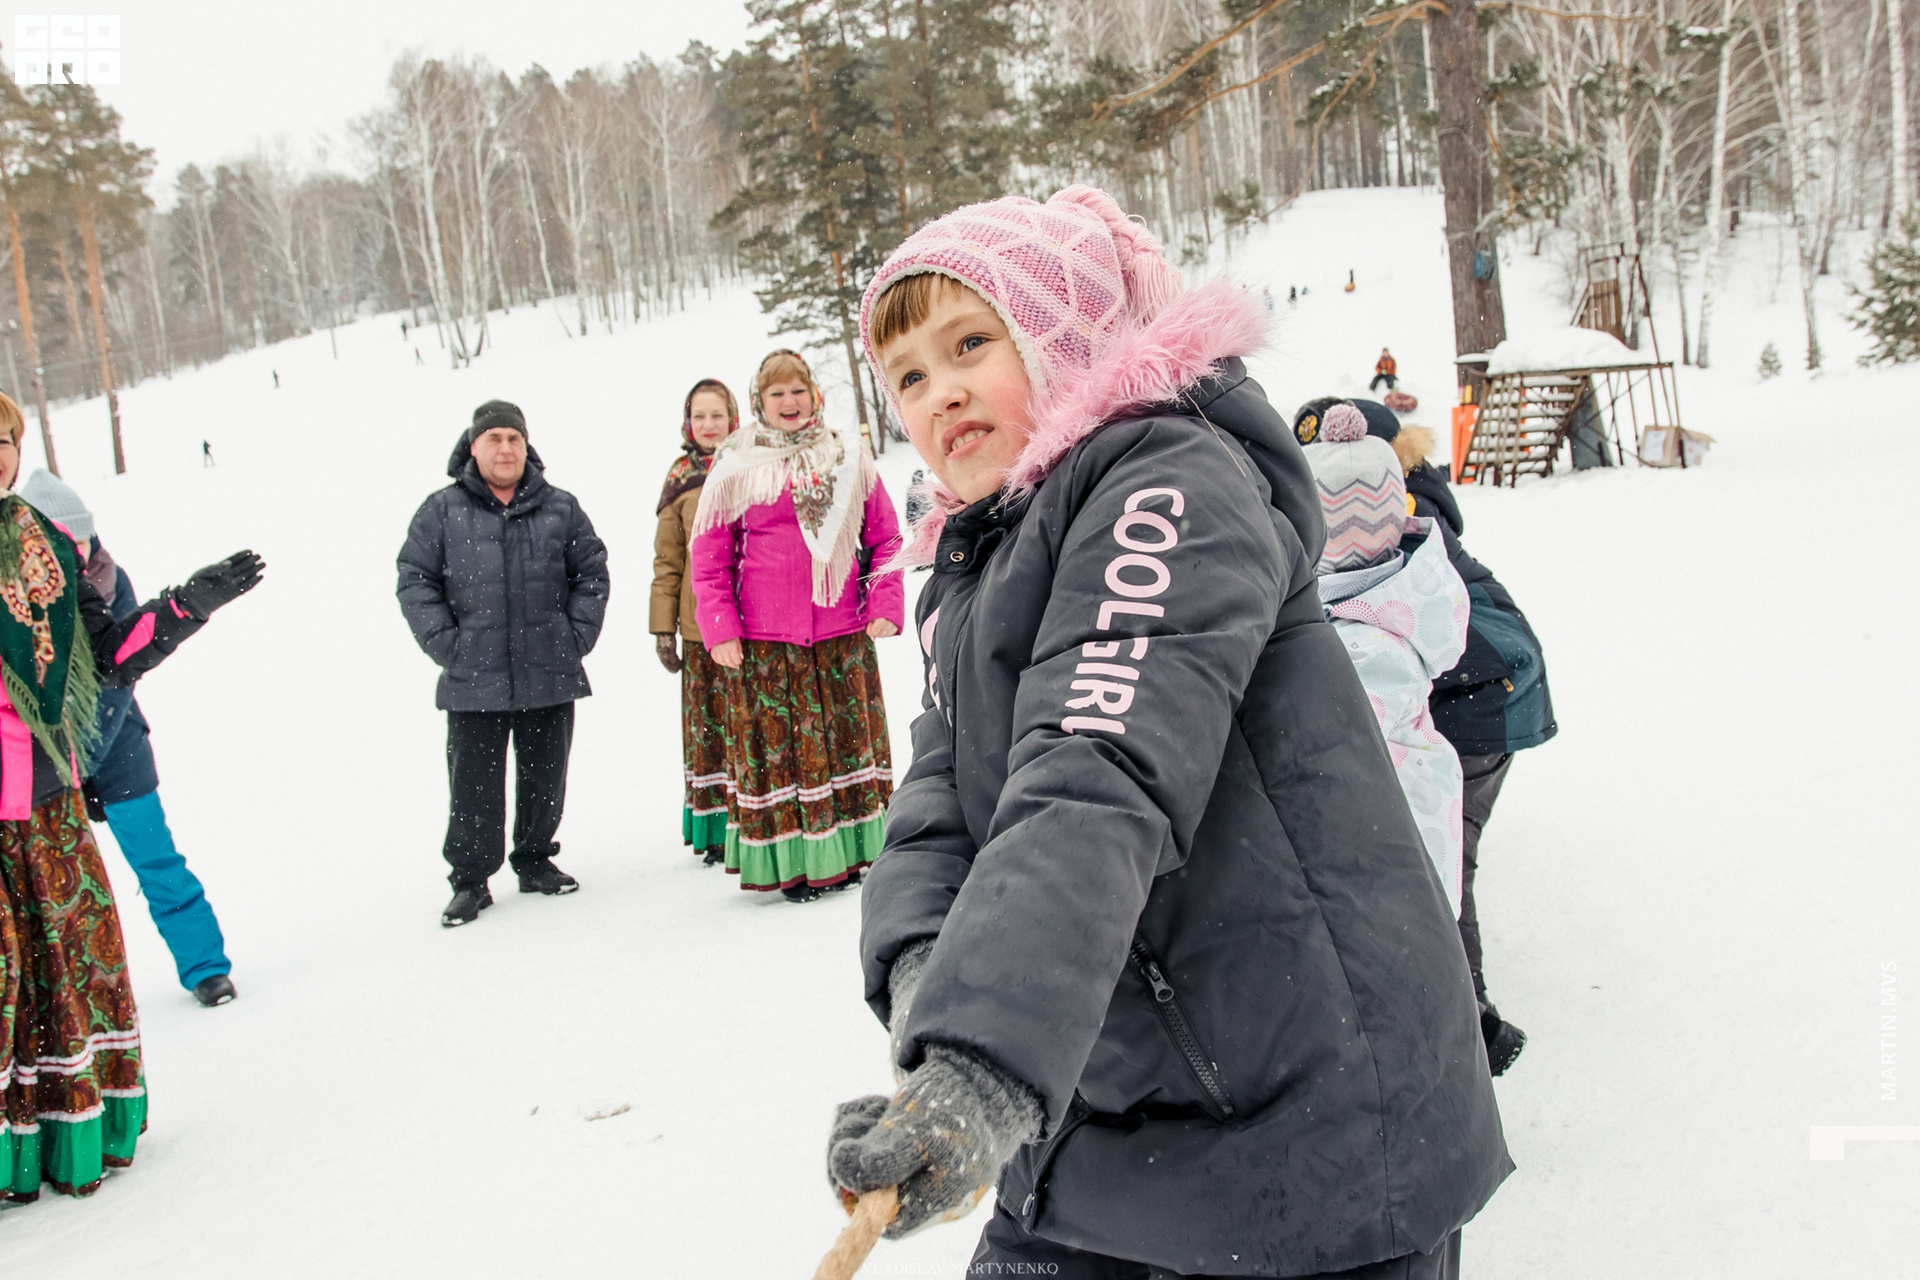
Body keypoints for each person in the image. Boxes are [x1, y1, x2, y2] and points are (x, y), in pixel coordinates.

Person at [827, 187, 1507, 1277]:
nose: (939, 389)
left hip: (1305, 1139)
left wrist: (987, 1056)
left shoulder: (1169, 479)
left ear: (1059, 337)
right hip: (1109, 1130)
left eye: (969, 342)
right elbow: (941, 805)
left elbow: (1096, 770)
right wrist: (930, 998)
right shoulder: (981, 567)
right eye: (907, 374)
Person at [0, 392, 264, 1200]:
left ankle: (57, 1140)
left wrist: (185, 606)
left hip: (43, 804)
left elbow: (107, 652)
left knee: (69, 969)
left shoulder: (38, 542)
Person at [1298, 396, 1554, 1075]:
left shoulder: (1400, 523)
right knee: (1431, 851)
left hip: (1485, 694)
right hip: (1475, 679)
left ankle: (1472, 1029)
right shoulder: (1400, 512)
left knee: (1440, 863)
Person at [688, 350, 904, 902]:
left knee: (847, 749)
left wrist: (884, 602)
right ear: (759, 402)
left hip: (841, 635)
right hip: (765, 643)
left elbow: (884, 538)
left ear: (816, 397)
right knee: (785, 758)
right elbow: (708, 556)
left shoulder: (848, 457)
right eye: (776, 393)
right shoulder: (736, 463)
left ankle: (856, 854)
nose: (789, 402)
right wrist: (721, 629)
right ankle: (796, 865)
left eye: (798, 391)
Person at [17, 470, 236, 1008]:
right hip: (46, 761)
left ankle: (205, 966)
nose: (80, 548)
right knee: (60, 888)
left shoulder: (112, 580)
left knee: (156, 860)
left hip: (116, 749)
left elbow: (116, 674)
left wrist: (87, 754)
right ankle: (70, 1000)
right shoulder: (21, 588)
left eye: (83, 536)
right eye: (65, 539)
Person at [396, 400, 610, 928]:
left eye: (514, 438)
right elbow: (414, 579)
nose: (505, 448)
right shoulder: (441, 511)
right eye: (493, 438)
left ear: (526, 446)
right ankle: (470, 880)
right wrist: (448, 645)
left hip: (549, 668)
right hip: (476, 676)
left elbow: (593, 572)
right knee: (474, 785)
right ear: (473, 446)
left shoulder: (560, 507)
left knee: (545, 776)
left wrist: (574, 637)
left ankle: (535, 861)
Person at [1301, 405, 1469, 915]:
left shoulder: (1364, 647)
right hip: (1406, 857)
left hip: (1387, 882)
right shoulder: (1398, 599)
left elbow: (1323, 767)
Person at [650, 379, 739, 867]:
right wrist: (663, 627)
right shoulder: (680, 476)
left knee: (747, 724)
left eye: (717, 416)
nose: (708, 426)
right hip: (697, 625)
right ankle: (712, 825)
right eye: (699, 417)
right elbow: (667, 561)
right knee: (709, 730)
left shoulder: (751, 465)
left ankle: (751, 817)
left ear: (733, 419)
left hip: (748, 620)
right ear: (688, 422)